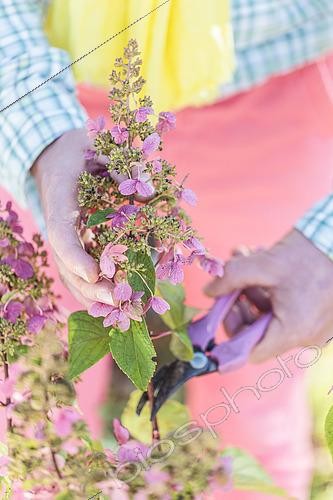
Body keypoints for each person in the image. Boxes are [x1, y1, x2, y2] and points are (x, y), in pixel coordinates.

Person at [1, 1, 333, 498]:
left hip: (269, 100)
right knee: (29, 391)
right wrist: (39, 137)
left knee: (250, 395)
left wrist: (325, 244)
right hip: (47, 88)